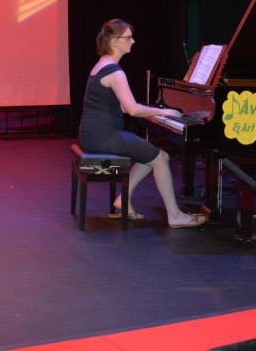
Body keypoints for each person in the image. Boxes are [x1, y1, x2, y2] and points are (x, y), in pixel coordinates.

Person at [78, 19, 207, 228]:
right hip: (103, 136)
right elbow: (132, 109)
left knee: (153, 156)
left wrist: (154, 114)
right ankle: (175, 216)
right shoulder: (115, 72)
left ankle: (123, 199)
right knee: (160, 158)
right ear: (114, 41)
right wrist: (163, 111)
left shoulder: (103, 64)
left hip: (93, 133)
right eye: (128, 37)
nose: (133, 41)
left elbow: (119, 107)